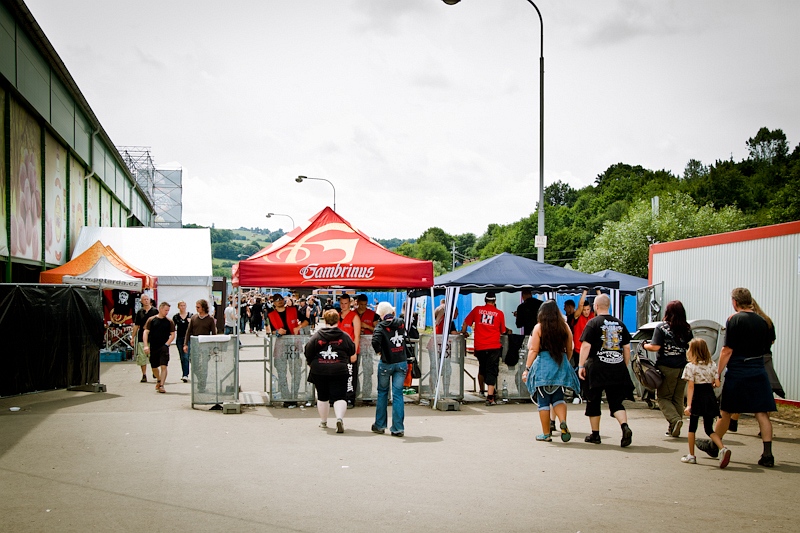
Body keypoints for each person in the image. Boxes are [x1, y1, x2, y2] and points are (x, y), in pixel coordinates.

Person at [707, 288, 777, 469]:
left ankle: (715, 445)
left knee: (726, 411)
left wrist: (718, 372)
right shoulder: (763, 321)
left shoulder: (734, 319)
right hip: (758, 368)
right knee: (761, 412)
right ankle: (767, 454)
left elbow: (727, 350)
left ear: (735, 302)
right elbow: (768, 345)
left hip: (738, 370)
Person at [578, 294, 635, 447]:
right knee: (616, 402)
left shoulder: (593, 323)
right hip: (617, 367)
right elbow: (627, 347)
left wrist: (581, 366)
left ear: (596, 307)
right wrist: (623, 364)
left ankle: (595, 435)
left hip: (596, 367)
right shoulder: (620, 324)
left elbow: (586, 346)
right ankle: (624, 426)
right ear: (608, 305)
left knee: (593, 399)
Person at [522, 300, 579, 442]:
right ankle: (563, 421)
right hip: (560, 363)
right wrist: (565, 361)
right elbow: (570, 348)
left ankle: (546, 434)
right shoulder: (565, 327)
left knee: (543, 402)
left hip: (543, 366)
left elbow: (534, 350)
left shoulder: (539, 328)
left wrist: (527, 369)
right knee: (558, 398)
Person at [728, 298, 783, 432]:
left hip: (747, 359)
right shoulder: (766, 321)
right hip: (766, 358)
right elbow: (772, 340)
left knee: (742, 391)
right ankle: (763, 429)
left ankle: (733, 421)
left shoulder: (739, 319)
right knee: (765, 393)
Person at [643, 300, 693, 437]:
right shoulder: (687, 328)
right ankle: (674, 427)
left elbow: (655, 347)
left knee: (663, 397)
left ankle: (675, 420)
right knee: (677, 397)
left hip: (667, 367)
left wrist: (645, 345)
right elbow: (690, 346)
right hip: (683, 366)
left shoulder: (662, 327)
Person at [304, 309, 356, 433]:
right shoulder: (344, 336)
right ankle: (339, 418)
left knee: (322, 397)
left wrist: (311, 363)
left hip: (319, 370)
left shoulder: (317, 335)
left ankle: (323, 422)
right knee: (340, 397)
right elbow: (352, 350)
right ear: (338, 320)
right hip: (339, 369)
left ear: (325, 320)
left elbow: (308, 351)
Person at [461, 292, 510, 406]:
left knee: (482, 368)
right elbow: (502, 330)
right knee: (492, 370)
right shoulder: (499, 313)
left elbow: (466, 322)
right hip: (493, 346)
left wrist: (463, 333)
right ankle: (490, 397)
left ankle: (481, 390)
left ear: (485, 300)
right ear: (495, 301)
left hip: (480, 346)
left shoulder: (477, 310)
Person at [680, 338, 722, 464]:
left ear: (692, 351)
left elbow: (691, 386)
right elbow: (718, 384)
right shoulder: (712, 364)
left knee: (692, 427)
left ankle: (691, 455)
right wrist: (711, 384)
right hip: (709, 397)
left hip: (697, 397)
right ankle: (723, 448)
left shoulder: (690, 366)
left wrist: (688, 405)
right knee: (709, 429)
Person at [371, 302, 408, 437]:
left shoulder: (380, 326)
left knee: (383, 393)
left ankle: (380, 425)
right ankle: (398, 428)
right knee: (398, 394)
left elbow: (375, 341)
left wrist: (379, 351)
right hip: (401, 361)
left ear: (380, 314)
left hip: (386, 362)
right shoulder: (401, 322)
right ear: (392, 312)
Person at [268, 293, 309, 407]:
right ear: (273, 303)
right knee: (281, 372)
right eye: (277, 300)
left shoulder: (293, 310)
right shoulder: (271, 314)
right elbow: (271, 330)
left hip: (294, 344)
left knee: (296, 371)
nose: (280, 301)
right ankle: (286, 397)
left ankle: (294, 395)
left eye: (281, 299)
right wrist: (277, 332)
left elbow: (306, 320)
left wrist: (298, 327)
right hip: (281, 345)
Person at [184, 299, 218, 392]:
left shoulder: (210, 319)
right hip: (195, 345)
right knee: (194, 365)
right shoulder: (194, 318)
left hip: (205, 346)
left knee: (204, 366)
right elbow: (188, 331)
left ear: (203, 307)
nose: (196, 309)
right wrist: (185, 344)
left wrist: (213, 347)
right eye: (196, 307)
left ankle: (202, 385)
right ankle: (200, 379)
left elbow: (214, 334)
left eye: (198, 307)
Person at [143, 302, 176, 394]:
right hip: (153, 346)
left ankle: (162, 385)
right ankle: (158, 379)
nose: (167, 312)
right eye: (166, 310)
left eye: (168, 310)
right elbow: (146, 332)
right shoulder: (151, 320)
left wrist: (167, 344)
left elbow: (173, 334)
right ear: (160, 309)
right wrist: (146, 345)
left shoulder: (169, 322)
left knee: (164, 366)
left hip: (164, 347)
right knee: (154, 367)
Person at [337, 294, 361, 408]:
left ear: (350, 303)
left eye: (346, 303)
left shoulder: (354, 316)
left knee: (350, 375)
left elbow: (357, 336)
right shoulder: (337, 316)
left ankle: (350, 398)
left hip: (350, 351)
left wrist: (354, 352)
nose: (343, 305)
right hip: (338, 351)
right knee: (338, 375)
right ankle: (339, 397)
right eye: (341, 303)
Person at [355, 294, 378, 399]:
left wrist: (367, 326)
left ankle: (367, 395)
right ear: (357, 303)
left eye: (365, 304)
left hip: (368, 346)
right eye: (361, 304)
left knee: (367, 370)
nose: (363, 307)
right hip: (355, 345)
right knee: (354, 370)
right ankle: (355, 392)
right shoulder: (352, 314)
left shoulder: (373, 314)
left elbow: (377, 330)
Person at [131, 294, 158, 383]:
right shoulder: (139, 312)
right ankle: (144, 374)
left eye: (147, 299)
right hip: (141, 337)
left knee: (153, 356)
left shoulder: (155, 311)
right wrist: (133, 337)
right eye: (144, 299)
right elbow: (136, 325)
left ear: (150, 301)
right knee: (142, 357)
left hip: (153, 337)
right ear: (141, 301)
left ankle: (155, 371)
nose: (146, 301)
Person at [172, 301, 193, 383]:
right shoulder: (176, 317)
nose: (183, 307)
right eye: (181, 305)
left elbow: (193, 326)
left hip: (188, 338)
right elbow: (173, 327)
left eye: (184, 305)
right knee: (182, 356)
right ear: (178, 307)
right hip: (180, 338)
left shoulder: (190, 315)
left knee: (186, 356)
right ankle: (184, 372)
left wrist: (190, 321)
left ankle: (185, 374)